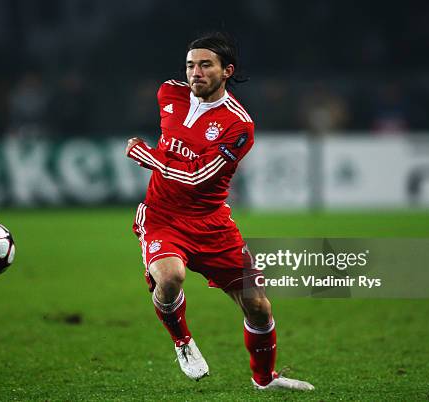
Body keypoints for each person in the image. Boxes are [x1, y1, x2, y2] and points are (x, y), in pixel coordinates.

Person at [125, 32, 314, 392]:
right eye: (190, 65)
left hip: (213, 225)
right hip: (163, 217)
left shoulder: (238, 125)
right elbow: (177, 151)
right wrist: (160, 157)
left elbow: (196, 176)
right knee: (170, 277)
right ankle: (183, 343)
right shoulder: (169, 93)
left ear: (227, 71)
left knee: (258, 307)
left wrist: (144, 154)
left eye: (205, 65)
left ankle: (265, 379)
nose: (195, 72)